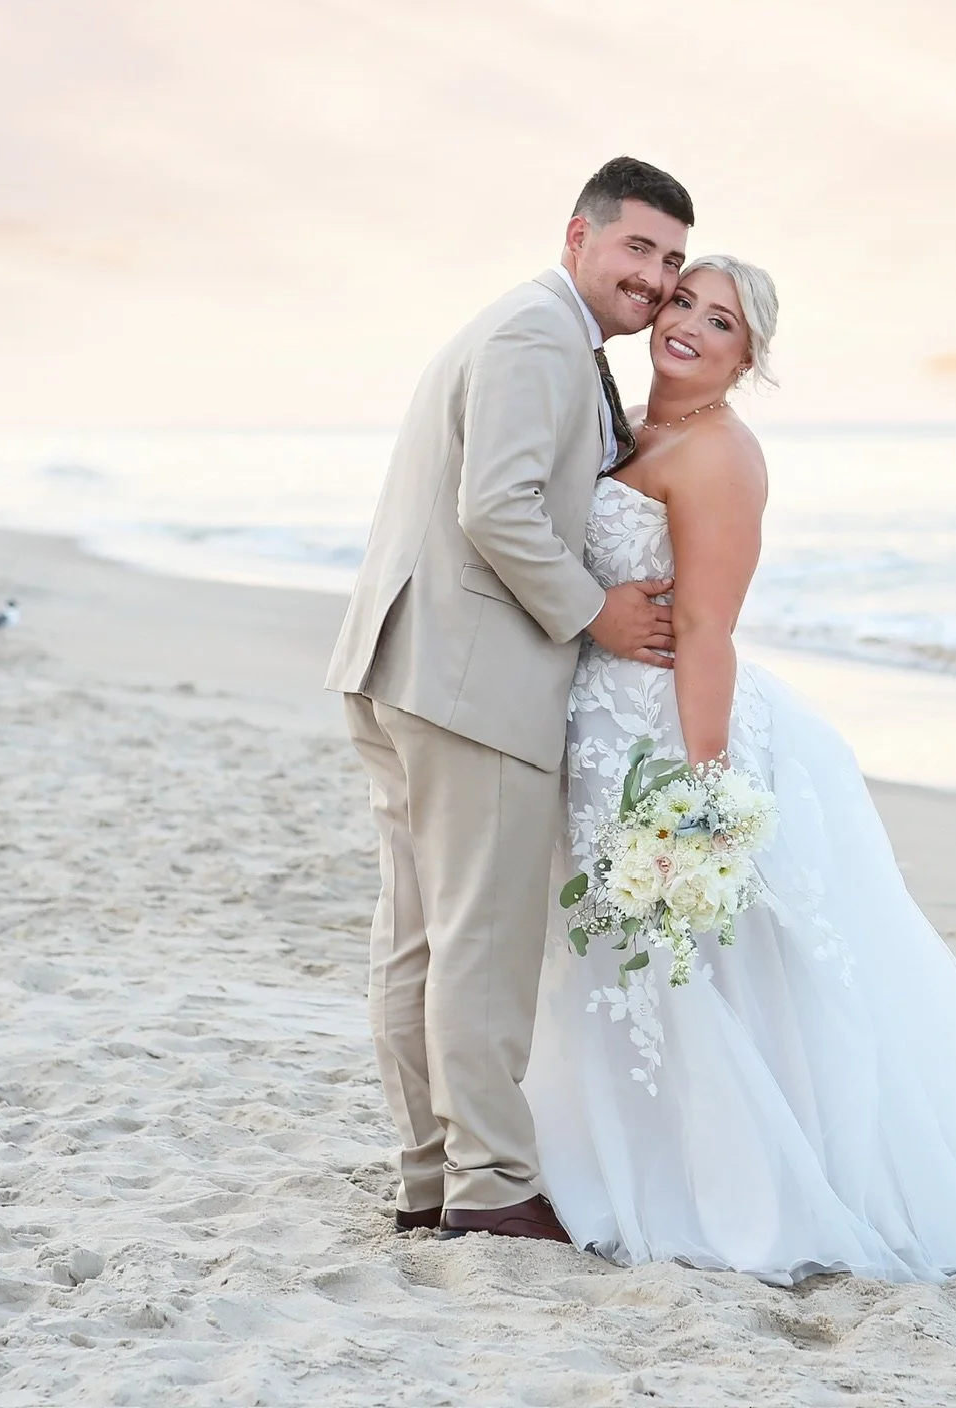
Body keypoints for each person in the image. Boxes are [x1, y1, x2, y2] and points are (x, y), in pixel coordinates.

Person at [523, 255, 956, 1282]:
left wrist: (702, 791)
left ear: (748, 354)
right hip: (599, 726)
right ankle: (611, 1161)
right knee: (613, 966)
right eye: (682, 301)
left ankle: (742, 1193)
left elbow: (714, 631)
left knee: (700, 970)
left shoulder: (722, 454)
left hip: (672, 736)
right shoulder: (628, 422)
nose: (688, 324)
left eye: (720, 322)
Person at [326, 157, 693, 1242]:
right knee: (477, 942)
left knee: (422, 939)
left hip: (408, 662)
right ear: (578, 235)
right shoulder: (540, 335)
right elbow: (500, 506)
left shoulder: (530, 327)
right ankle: (490, 1187)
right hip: (472, 676)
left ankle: (431, 1176)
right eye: (638, 248)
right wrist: (597, 614)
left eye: (670, 260)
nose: (654, 278)